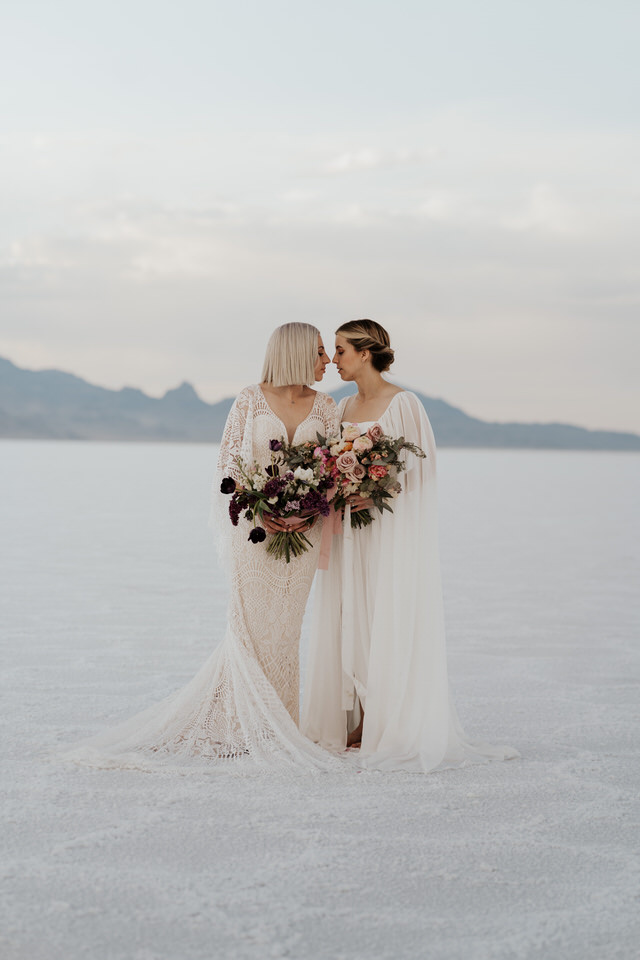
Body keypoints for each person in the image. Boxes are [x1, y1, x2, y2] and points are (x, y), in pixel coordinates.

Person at [62, 323, 342, 772]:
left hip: (303, 533)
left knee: (286, 631)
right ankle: (238, 726)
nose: (327, 360)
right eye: (321, 351)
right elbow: (228, 466)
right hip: (255, 531)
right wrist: (260, 508)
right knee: (250, 631)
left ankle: (278, 727)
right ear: (294, 352)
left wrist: (307, 510)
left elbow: (331, 470)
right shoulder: (250, 399)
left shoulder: (326, 407)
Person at [301, 319, 518, 772]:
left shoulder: (404, 404)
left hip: (385, 531)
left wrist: (377, 488)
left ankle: (390, 720)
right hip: (348, 531)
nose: (333, 360)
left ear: (364, 352)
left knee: (385, 613)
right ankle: (354, 717)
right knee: (348, 613)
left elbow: (421, 469)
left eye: (339, 350)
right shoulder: (342, 408)